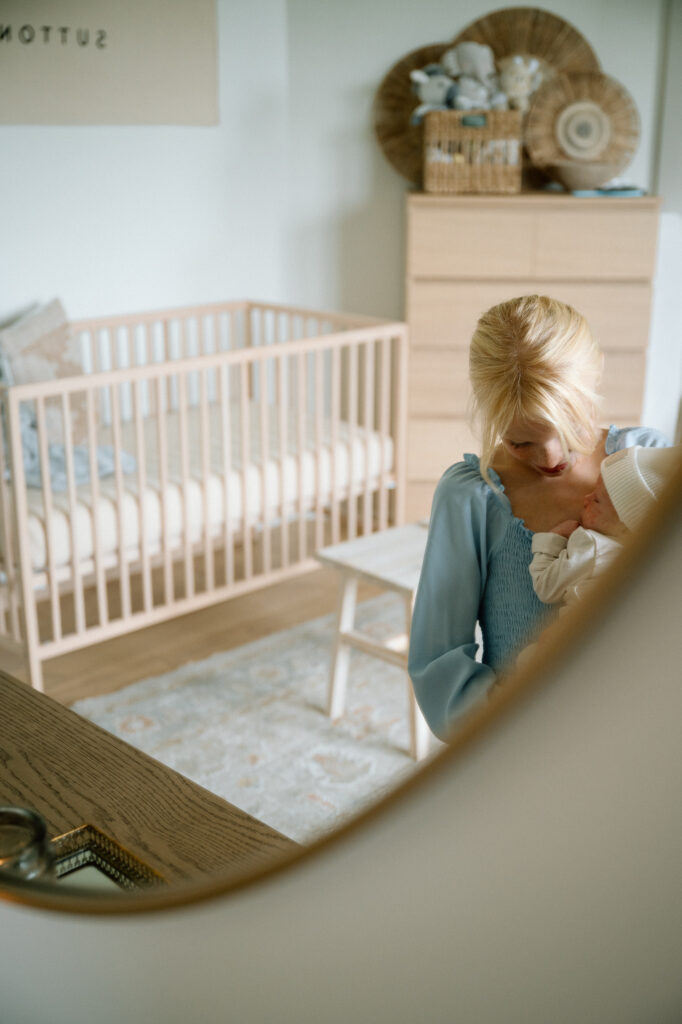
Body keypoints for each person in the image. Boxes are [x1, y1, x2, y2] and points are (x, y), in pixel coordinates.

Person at [407, 295, 669, 741]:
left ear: (597, 373)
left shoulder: (650, 462)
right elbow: (438, 666)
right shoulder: (472, 498)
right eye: (519, 442)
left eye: (568, 431)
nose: (551, 458)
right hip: (523, 740)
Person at [516, 444, 681, 668]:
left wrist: (552, 539)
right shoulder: (646, 565)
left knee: (527, 662)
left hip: (575, 644)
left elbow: (546, 586)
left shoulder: (593, 546)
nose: (585, 498)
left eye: (597, 500)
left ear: (625, 523)